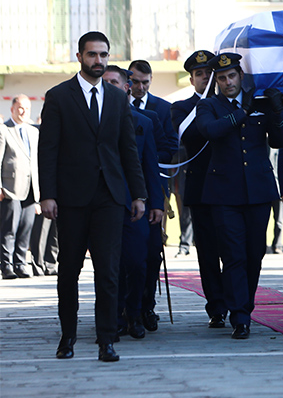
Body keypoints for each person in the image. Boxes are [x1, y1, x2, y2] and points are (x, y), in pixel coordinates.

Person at [39, 30, 147, 362]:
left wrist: (139, 194)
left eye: (103, 55)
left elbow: (128, 150)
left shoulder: (117, 98)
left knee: (109, 271)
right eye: (92, 55)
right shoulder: (58, 96)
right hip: (70, 199)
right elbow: (48, 150)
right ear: (80, 57)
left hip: (110, 198)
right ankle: (67, 337)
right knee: (68, 269)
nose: (98, 60)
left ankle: (106, 340)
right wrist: (48, 195)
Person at [197, 52, 283, 339]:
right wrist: (241, 111)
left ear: (241, 75)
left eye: (232, 76)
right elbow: (209, 130)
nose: (228, 82)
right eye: (222, 78)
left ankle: (244, 305)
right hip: (224, 194)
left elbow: (280, 141)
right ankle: (240, 316)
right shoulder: (210, 106)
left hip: (259, 192)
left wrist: (276, 111)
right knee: (234, 255)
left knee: (254, 254)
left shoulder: (257, 102)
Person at [102, 65, 164, 340]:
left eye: (114, 82)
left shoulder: (144, 122)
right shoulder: (92, 120)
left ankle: (135, 313)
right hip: (101, 203)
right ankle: (112, 318)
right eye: (105, 82)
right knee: (108, 266)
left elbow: (150, 167)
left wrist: (157, 204)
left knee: (138, 263)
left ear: (126, 86)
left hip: (134, 205)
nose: (109, 86)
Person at [170, 50, 228, 328]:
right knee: (207, 253)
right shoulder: (182, 108)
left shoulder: (227, 104)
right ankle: (216, 306)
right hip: (202, 190)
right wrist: (205, 104)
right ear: (192, 79)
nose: (206, 77)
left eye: (210, 73)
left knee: (233, 250)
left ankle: (234, 298)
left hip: (230, 188)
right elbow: (189, 134)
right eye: (200, 74)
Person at [128, 59, 178, 332]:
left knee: (150, 254)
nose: (140, 88)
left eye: (145, 83)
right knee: (128, 254)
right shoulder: (117, 106)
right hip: (123, 191)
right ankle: (126, 308)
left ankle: (147, 306)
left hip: (153, 190)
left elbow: (171, 146)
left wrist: (143, 158)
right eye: (135, 82)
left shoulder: (161, 108)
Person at [0, 95, 40, 279]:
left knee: (26, 228)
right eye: (20, 108)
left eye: (26, 108)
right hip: (11, 188)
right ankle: (6, 265)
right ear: (12, 109)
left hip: (31, 189)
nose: (23, 112)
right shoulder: (4, 130)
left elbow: (37, 162)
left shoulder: (34, 132)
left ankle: (20, 263)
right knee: (10, 229)